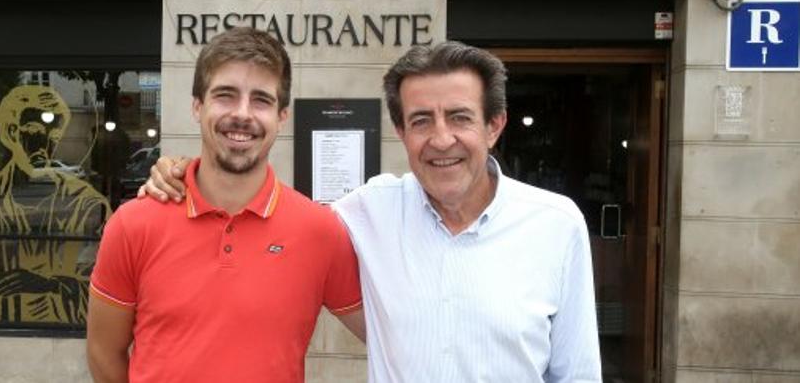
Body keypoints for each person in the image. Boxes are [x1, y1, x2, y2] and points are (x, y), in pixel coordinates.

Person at [141, 41, 602, 382]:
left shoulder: (556, 225)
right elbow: (277, 213)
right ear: (401, 131)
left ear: (494, 126)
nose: (442, 140)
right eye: (421, 120)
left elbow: (577, 373)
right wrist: (183, 172)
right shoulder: (369, 211)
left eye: (459, 117)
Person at [86, 27, 365, 383]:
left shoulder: (320, 231)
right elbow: (103, 352)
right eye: (225, 95)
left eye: (261, 100)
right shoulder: (133, 223)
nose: (242, 114)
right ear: (197, 106)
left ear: (282, 117)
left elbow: (392, 332)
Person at [0, 85, 111, 324]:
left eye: (54, 136)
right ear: (11, 132)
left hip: (55, 327)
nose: (45, 145)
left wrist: (52, 285)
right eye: (35, 131)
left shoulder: (87, 203)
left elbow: (109, 282)